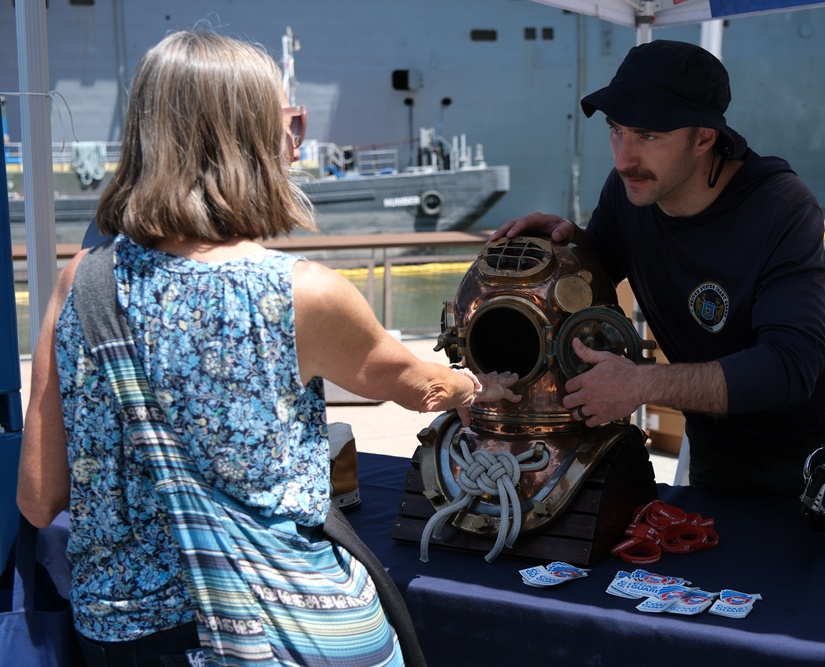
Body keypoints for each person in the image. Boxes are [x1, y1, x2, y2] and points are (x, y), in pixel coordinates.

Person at [16, 30, 518, 666]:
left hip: (124, 636)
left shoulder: (77, 283)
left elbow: (38, 498)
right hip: (280, 624)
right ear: (250, 139)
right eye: (290, 123)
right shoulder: (299, 293)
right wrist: (477, 387)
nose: (296, 140)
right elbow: (419, 386)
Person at [491, 40, 825, 498]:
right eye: (616, 130)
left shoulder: (780, 207)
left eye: (648, 136)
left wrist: (639, 384)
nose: (624, 158)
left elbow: (789, 366)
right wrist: (566, 249)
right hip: (718, 445)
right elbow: (594, 282)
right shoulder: (631, 191)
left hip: (820, 446)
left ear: (704, 137)